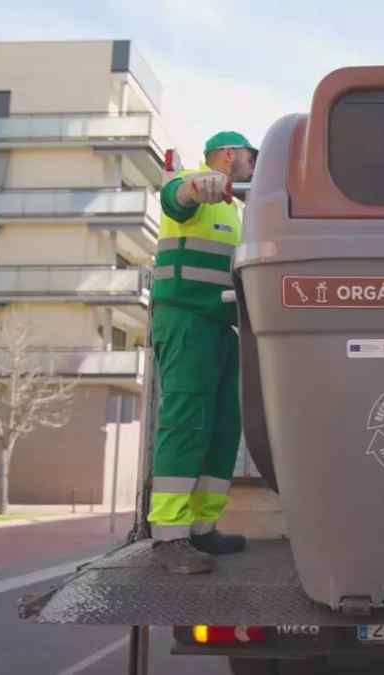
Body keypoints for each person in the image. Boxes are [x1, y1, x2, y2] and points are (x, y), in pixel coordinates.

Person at [149, 131, 257, 574]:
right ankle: (169, 537)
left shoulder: (237, 210)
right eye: (250, 156)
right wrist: (197, 187)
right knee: (186, 421)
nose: (254, 165)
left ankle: (201, 527)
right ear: (229, 154)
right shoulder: (197, 183)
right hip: (186, 319)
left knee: (223, 427)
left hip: (224, 325)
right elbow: (176, 198)